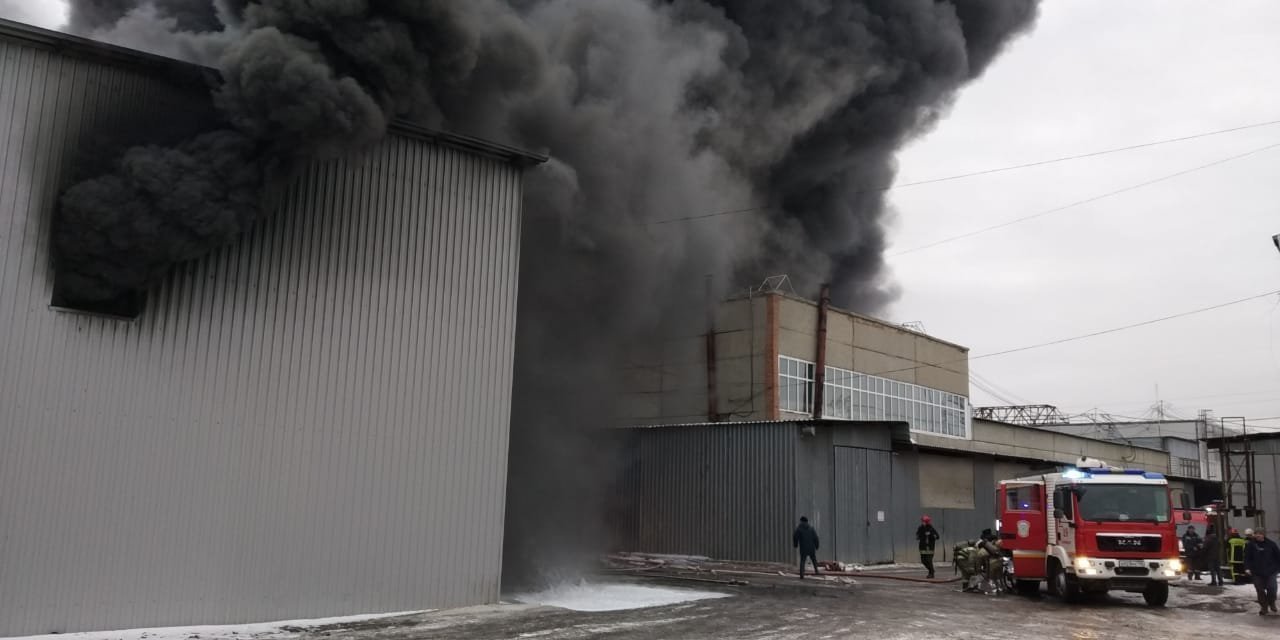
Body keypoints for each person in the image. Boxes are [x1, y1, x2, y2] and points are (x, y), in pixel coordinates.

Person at [1243, 528, 1280, 615]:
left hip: (1271, 571)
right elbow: (1247, 557)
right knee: (1260, 590)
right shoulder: (1251, 545)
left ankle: (1271, 602)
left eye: (1260, 533)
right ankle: (1264, 607)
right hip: (1256, 572)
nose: (1258, 535)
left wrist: (1277, 569)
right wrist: (1247, 568)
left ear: (1264, 534)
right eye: (1256, 533)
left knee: (1272, 588)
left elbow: (1278, 557)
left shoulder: (1271, 544)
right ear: (1254, 535)